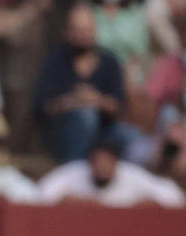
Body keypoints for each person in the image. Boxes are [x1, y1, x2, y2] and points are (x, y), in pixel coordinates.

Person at [34, 5, 129, 163]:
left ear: (95, 31)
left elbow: (117, 106)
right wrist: (75, 100)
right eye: (77, 31)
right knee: (86, 116)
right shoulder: (55, 62)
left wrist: (94, 99)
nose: (82, 36)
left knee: (138, 144)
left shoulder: (110, 62)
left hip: (105, 132)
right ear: (67, 32)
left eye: (86, 30)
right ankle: (76, 172)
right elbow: (41, 107)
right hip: (62, 133)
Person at [38, 137, 186, 205]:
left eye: (107, 162)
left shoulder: (131, 175)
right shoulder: (75, 172)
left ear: (116, 163)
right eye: (97, 162)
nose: (101, 167)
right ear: (89, 162)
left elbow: (173, 196)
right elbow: (41, 193)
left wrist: (143, 204)